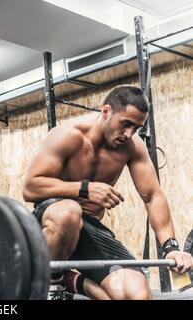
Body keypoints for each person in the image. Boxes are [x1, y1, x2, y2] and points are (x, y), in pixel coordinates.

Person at [22, 85, 193, 300]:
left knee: (135, 294)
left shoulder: (132, 146)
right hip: (52, 223)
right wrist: (84, 189)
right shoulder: (67, 135)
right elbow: (30, 187)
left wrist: (171, 247)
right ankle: (52, 280)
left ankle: (70, 280)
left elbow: (153, 196)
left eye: (137, 127)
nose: (129, 134)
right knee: (69, 211)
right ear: (106, 112)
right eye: (126, 124)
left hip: (91, 230)